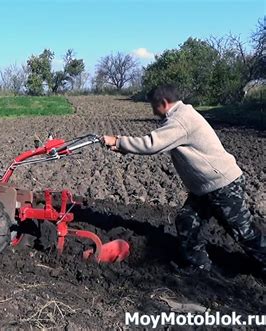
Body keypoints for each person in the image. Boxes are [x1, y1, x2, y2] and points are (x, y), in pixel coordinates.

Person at [103, 84, 265, 274]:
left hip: (223, 184)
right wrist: (122, 146)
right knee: (187, 220)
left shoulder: (181, 119)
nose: (154, 112)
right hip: (205, 187)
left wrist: (118, 141)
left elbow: (152, 144)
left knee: (242, 231)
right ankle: (199, 265)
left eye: (154, 106)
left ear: (163, 103)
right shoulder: (180, 116)